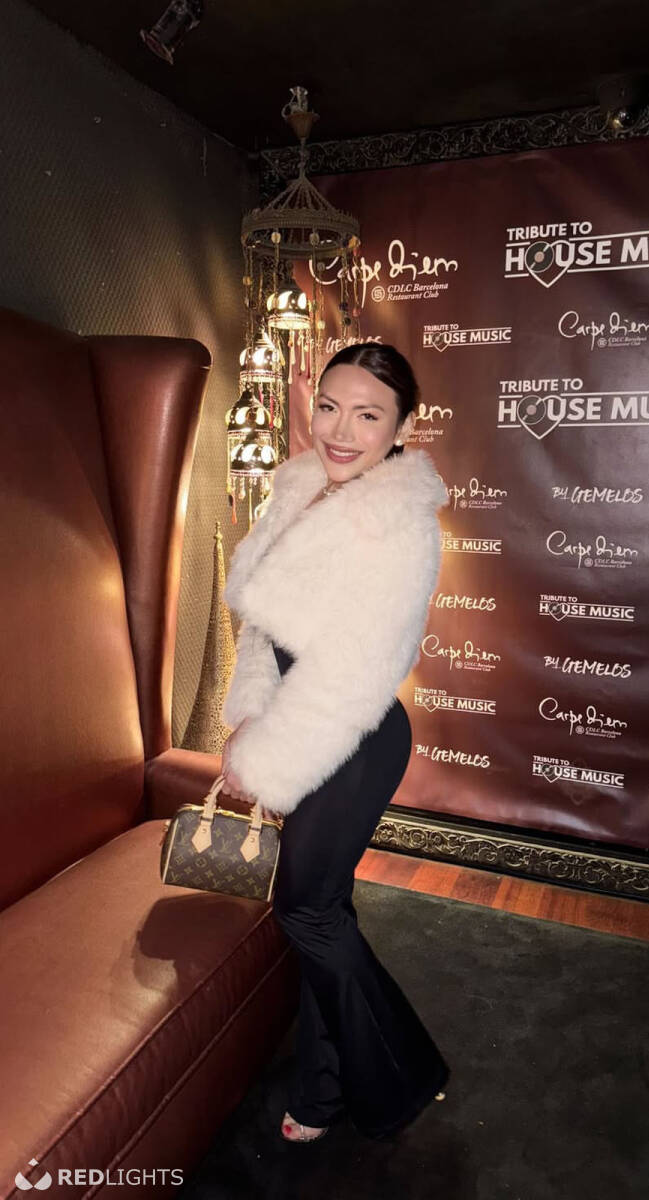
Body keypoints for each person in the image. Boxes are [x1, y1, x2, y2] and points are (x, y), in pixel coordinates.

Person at [219, 342, 450, 1143]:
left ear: (403, 427)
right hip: (296, 721)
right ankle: (320, 1093)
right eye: (328, 406)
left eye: (367, 415)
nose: (340, 431)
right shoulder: (299, 484)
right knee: (325, 907)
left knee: (305, 909)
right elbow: (263, 626)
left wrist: (263, 761)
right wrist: (251, 713)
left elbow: (354, 673)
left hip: (350, 734)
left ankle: (403, 1071)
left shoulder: (398, 524)